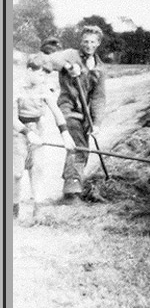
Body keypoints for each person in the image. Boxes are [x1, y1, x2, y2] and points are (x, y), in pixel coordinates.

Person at [13, 55, 76, 221]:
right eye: (41, 74)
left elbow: (56, 112)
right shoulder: (15, 88)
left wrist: (65, 134)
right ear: (29, 71)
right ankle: (12, 209)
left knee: (37, 170)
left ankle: (38, 212)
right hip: (16, 132)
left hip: (38, 130)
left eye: (46, 75)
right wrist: (28, 133)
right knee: (16, 173)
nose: (44, 79)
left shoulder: (43, 88)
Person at [57, 25, 107, 201]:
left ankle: (72, 183)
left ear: (98, 43)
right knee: (78, 145)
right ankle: (71, 191)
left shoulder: (100, 68)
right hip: (68, 109)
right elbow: (52, 59)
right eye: (85, 41)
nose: (88, 45)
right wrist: (68, 66)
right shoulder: (71, 55)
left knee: (83, 149)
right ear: (81, 41)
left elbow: (99, 98)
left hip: (85, 115)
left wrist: (97, 123)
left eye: (92, 41)